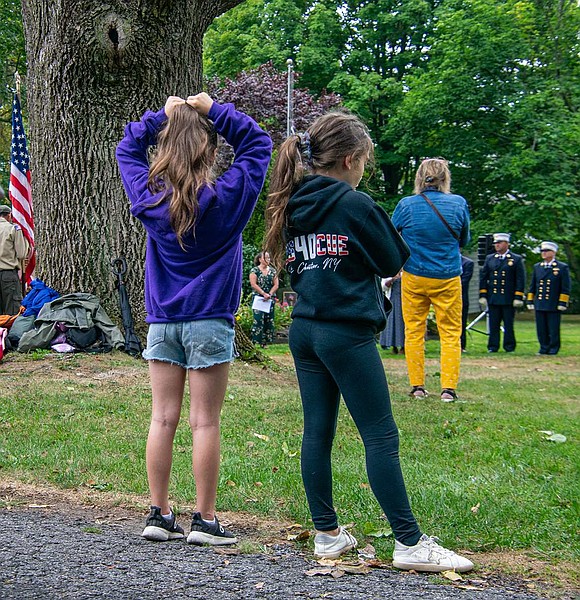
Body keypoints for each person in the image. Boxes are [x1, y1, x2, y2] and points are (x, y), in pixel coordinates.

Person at [265, 112, 473, 573]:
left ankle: (327, 534)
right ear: (349, 159)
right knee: (379, 433)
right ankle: (409, 542)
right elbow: (391, 259)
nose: (365, 170)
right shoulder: (356, 205)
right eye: (366, 162)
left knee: (317, 430)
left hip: (305, 330)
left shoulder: (292, 200)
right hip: (346, 331)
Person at [116, 93, 272, 545]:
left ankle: (159, 514)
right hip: (210, 321)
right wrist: (213, 110)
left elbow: (126, 148)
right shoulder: (228, 198)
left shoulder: (150, 200)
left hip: (162, 323)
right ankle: (204, 521)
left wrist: (159, 116)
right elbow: (258, 144)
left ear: (163, 151)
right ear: (208, 150)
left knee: (162, 418)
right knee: (204, 421)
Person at [392, 158, 470, 402]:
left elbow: (392, 235)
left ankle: (417, 386)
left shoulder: (406, 205)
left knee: (414, 332)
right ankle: (448, 389)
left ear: (419, 179)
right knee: (450, 333)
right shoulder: (458, 204)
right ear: (445, 179)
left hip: (415, 276)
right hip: (447, 276)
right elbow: (464, 239)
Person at [478, 233, 525, 353]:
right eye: (495, 243)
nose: (497, 245)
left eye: (499, 243)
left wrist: (518, 296)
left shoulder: (515, 259)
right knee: (493, 324)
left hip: (508, 297)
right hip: (493, 296)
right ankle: (493, 346)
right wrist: (483, 295)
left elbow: (520, 279)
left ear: (506, 244)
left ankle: (509, 346)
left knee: (508, 324)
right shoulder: (490, 258)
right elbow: (484, 277)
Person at [526, 241, 571, 355]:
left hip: (553, 302)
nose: (544, 253)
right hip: (540, 302)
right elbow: (533, 285)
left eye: (546, 251)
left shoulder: (561, 267)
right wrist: (530, 300)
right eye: (542, 251)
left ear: (553, 252)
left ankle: (553, 348)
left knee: (553, 327)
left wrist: (562, 302)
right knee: (541, 328)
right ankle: (543, 347)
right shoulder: (537, 267)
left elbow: (565, 287)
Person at [0, 204, 27, 315]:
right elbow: (21, 254)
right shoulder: (13, 228)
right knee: (12, 310)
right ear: (9, 215)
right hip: (8, 274)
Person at [249, 251, 279, 347]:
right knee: (258, 319)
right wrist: (263, 293)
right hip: (259, 298)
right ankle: (256, 341)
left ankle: (266, 342)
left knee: (269, 319)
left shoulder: (273, 271)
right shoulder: (254, 271)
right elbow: (253, 284)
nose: (268, 260)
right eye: (266, 258)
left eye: (269, 258)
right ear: (260, 259)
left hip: (269, 298)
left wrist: (269, 294)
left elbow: (276, 284)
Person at [379, 272, 404, 354]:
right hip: (393, 301)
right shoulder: (390, 272)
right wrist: (393, 279)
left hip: (404, 302)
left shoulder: (407, 273)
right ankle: (393, 346)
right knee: (392, 323)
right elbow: (383, 287)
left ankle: (403, 347)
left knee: (403, 324)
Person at [460, 255, 474, 351]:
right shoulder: (444, 261)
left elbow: (464, 281)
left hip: (461, 298)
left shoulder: (467, 263)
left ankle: (461, 345)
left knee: (461, 322)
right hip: (442, 297)